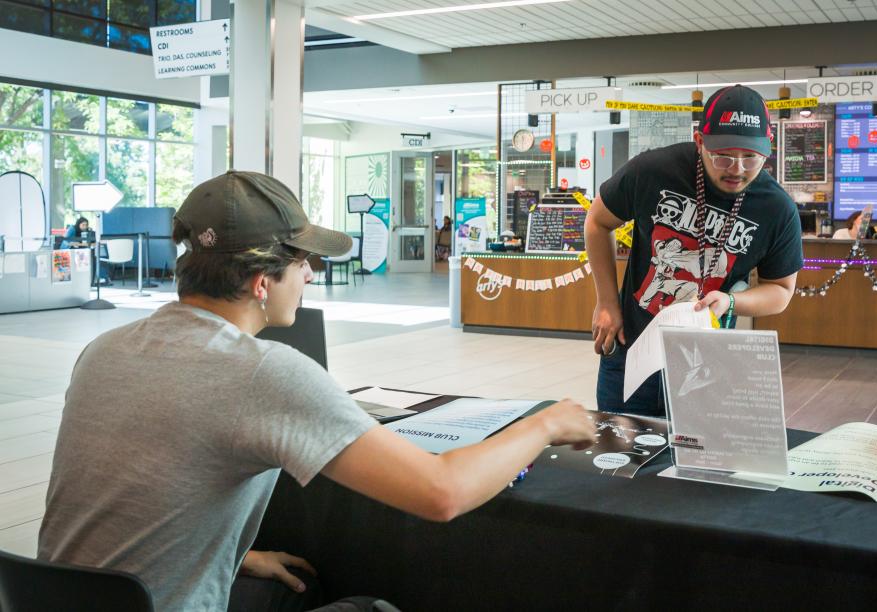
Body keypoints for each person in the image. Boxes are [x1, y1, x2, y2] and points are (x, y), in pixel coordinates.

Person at [37, 171, 597, 611]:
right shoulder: (261, 372)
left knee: (288, 584)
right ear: (262, 282)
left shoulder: (103, 350)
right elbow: (441, 492)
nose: (309, 274)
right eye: (302, 261)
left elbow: (135, 488)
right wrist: (544, 422)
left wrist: (230, 556)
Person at [585, 85, 803, 418]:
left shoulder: (777, 209)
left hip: (706, 360)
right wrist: (606, 303)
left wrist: (731, 301)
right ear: (700, 141)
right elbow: (597, 222)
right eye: (724, 156)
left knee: (695, 462)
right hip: (632, 347)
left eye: (751, 157)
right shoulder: (653, 170)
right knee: (618, 459)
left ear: (767, 150)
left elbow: (781, 291)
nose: (738, 169)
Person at [60, 216, 110, 285]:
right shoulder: (72, 229)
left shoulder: (86, 232)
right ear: (78, 224)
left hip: (77, 249)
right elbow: (66, 240)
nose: (85, 227)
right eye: (83, 225)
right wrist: (77, 244)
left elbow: (84, 243)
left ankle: (92, 279)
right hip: (66, 250)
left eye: (86, 225)